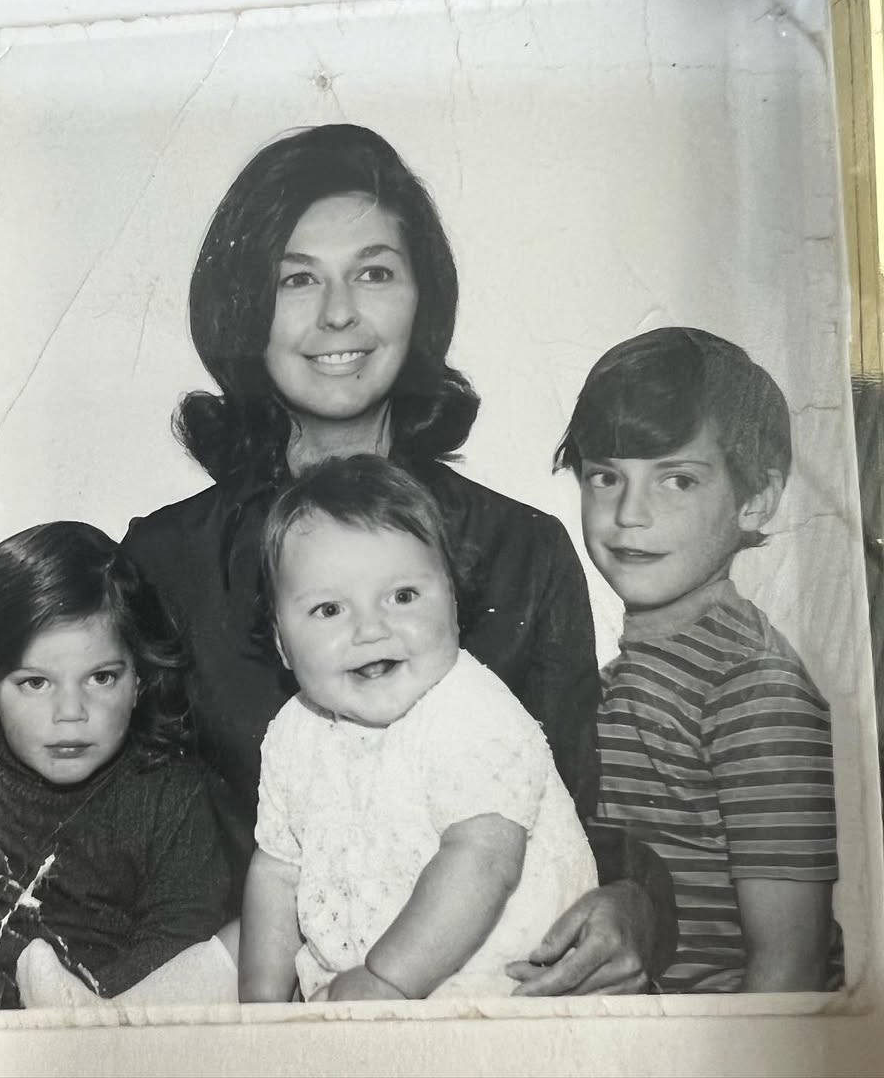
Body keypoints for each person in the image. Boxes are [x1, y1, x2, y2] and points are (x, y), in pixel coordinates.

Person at [122, 123, 677, 994]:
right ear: (242, 308)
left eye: (374, 272)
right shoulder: (167, 561)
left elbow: (582, 808)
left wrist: (635, 905)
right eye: (295, 278)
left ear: (422, 303)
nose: (338, 313)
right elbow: (129, 834)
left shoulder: (522, 548)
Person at [240, 455, 598, 1002]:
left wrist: (388, 979)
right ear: (283, 644)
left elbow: (483, 858)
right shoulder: (294, 732)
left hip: (508, 992)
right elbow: (276, 873)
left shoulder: (469, 709)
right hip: (358, 997)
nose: (371, 628)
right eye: (329, 609)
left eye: (403, 596)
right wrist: (260, 1015)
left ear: (454, 602)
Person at [554, 326, 845, 992]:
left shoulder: (753, 691)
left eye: (677, 480)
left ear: (756, 499)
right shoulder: (623, 676)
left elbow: (790, 967)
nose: (630, 514)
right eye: (606, 477)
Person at [0, 521, 232, 1013]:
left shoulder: (169, 791)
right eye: (36, 683)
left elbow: (177, 949)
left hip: (114, 1034)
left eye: (101, 678)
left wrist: (79, 1014)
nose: (71, 712)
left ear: (141, 681)